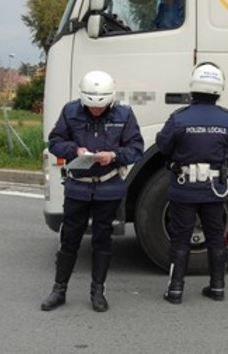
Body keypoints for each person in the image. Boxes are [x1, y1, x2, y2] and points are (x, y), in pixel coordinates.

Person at [41, 70, 144, 312]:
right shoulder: (70, 111)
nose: (96, 111)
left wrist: (115, 156)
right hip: (78, 187)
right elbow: (54, 141)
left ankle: (98, 291)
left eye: (101, 107)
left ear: (110, 100)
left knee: (102, 240)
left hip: (109, 187)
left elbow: (136, 148)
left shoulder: (124, 114)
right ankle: (59, 290)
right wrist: (74, 150)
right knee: (69, 240)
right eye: (91, 108)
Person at [156, 62, 228, 304]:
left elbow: (163, 145)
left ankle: (175, 290)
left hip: (185, 189)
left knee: (180, 238)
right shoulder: (227, 118)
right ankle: (217, 287)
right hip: (214, 189)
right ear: (219, 89)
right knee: (215, 236)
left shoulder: (180, 118)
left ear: (193, 87)